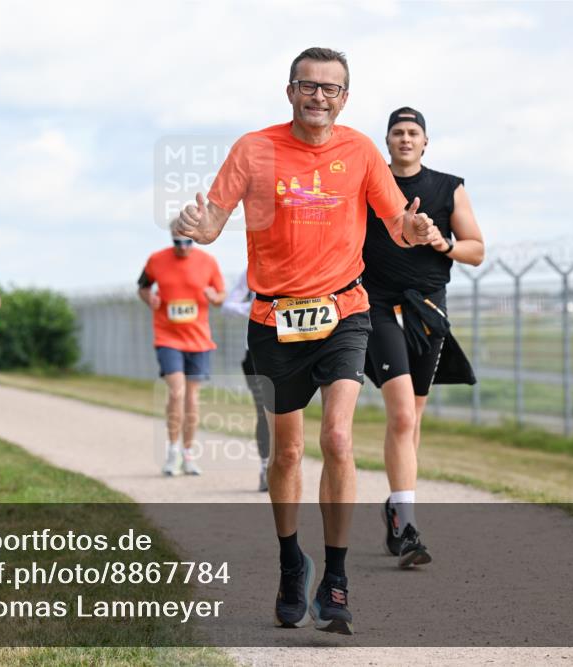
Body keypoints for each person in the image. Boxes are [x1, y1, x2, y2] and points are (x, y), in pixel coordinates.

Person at [173, 47, 433, 635]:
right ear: (289, 90)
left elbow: (396, 222)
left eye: (331, 89)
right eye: (307, 86)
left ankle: (335, 579)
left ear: (346, 97)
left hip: (345, 311)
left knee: (338, 437)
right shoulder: (254, 148)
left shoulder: (362, 150)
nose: (319, 97)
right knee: (287, 454)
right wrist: (198, 226)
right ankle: (293, 563)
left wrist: (413, 229)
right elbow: (213, 222)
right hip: (275, 320)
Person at [362, 106, 484, 568]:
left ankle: (397, 505)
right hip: (375, 306)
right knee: (400, 416)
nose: (406, 139)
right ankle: (409, 526)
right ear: (387, 141)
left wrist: (443, 244)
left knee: (412, 419)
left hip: (428, 310)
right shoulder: (372, 185)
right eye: (397, 132)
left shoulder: (449, 187)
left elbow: (476, 250)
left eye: (414, 132)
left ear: (426, 141)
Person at [138, 234, 225, 477]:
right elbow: (142, 287)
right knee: (177, 392)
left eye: (188, 242)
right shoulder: (156, 260)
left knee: (192, 399)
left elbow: (221, 295)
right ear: (172, 239)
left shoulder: (207, 261)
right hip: (167, 337)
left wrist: (214, 297)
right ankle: (173, 451)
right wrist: (150, 298)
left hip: (198, 340)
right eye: (178, 242)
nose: (184, 247)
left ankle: (188, 454)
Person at [221, 269, 271, 492]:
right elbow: (227, 307)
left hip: (293, 352)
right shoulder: (252, 271)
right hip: (255, 354)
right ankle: (265, 467)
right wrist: (254, 308)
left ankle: (284, 466)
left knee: (289, 413)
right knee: (265, 411)